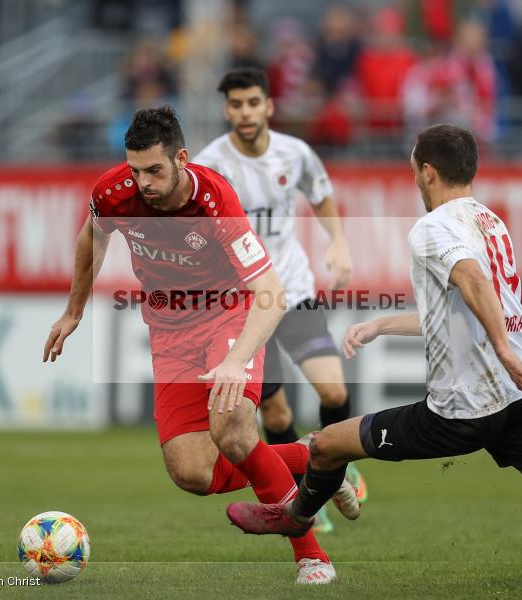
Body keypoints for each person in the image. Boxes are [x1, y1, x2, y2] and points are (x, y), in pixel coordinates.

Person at [225, 124, 522, 598]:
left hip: (461, 410)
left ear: (428, 172)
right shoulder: (490, 222)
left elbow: (473, 281)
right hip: (509, 398)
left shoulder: (432, 227)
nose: (414, 178)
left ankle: (296, 518)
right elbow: (459, 310)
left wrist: (499, 344)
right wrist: (381, 325)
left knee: (328, 445)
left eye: (414, 168)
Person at [43, 106, 358, 584]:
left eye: (154, 170)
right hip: (169, 332)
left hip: (227, 317)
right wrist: (74, 310)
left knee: (232, 428)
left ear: (181, 159)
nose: (142, 182)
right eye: (134, 170)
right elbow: (93, 237)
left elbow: (270, 293)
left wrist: (236, 359)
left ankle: (312, 557)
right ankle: (314, 453)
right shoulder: (112, 191)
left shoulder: (215, 201)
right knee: (192, 473)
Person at [193, 67, 365, 534]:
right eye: (235, 105)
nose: (244, 113)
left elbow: (323, 195)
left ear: (268, 105)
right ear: (226, 109)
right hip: (243, 307)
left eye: (252, 103)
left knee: (334, 391)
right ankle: (306, 498)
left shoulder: (297, 153)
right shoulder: (211, 166)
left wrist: (339, 242)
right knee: (276, 413)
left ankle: (335, 463)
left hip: (294, 290)